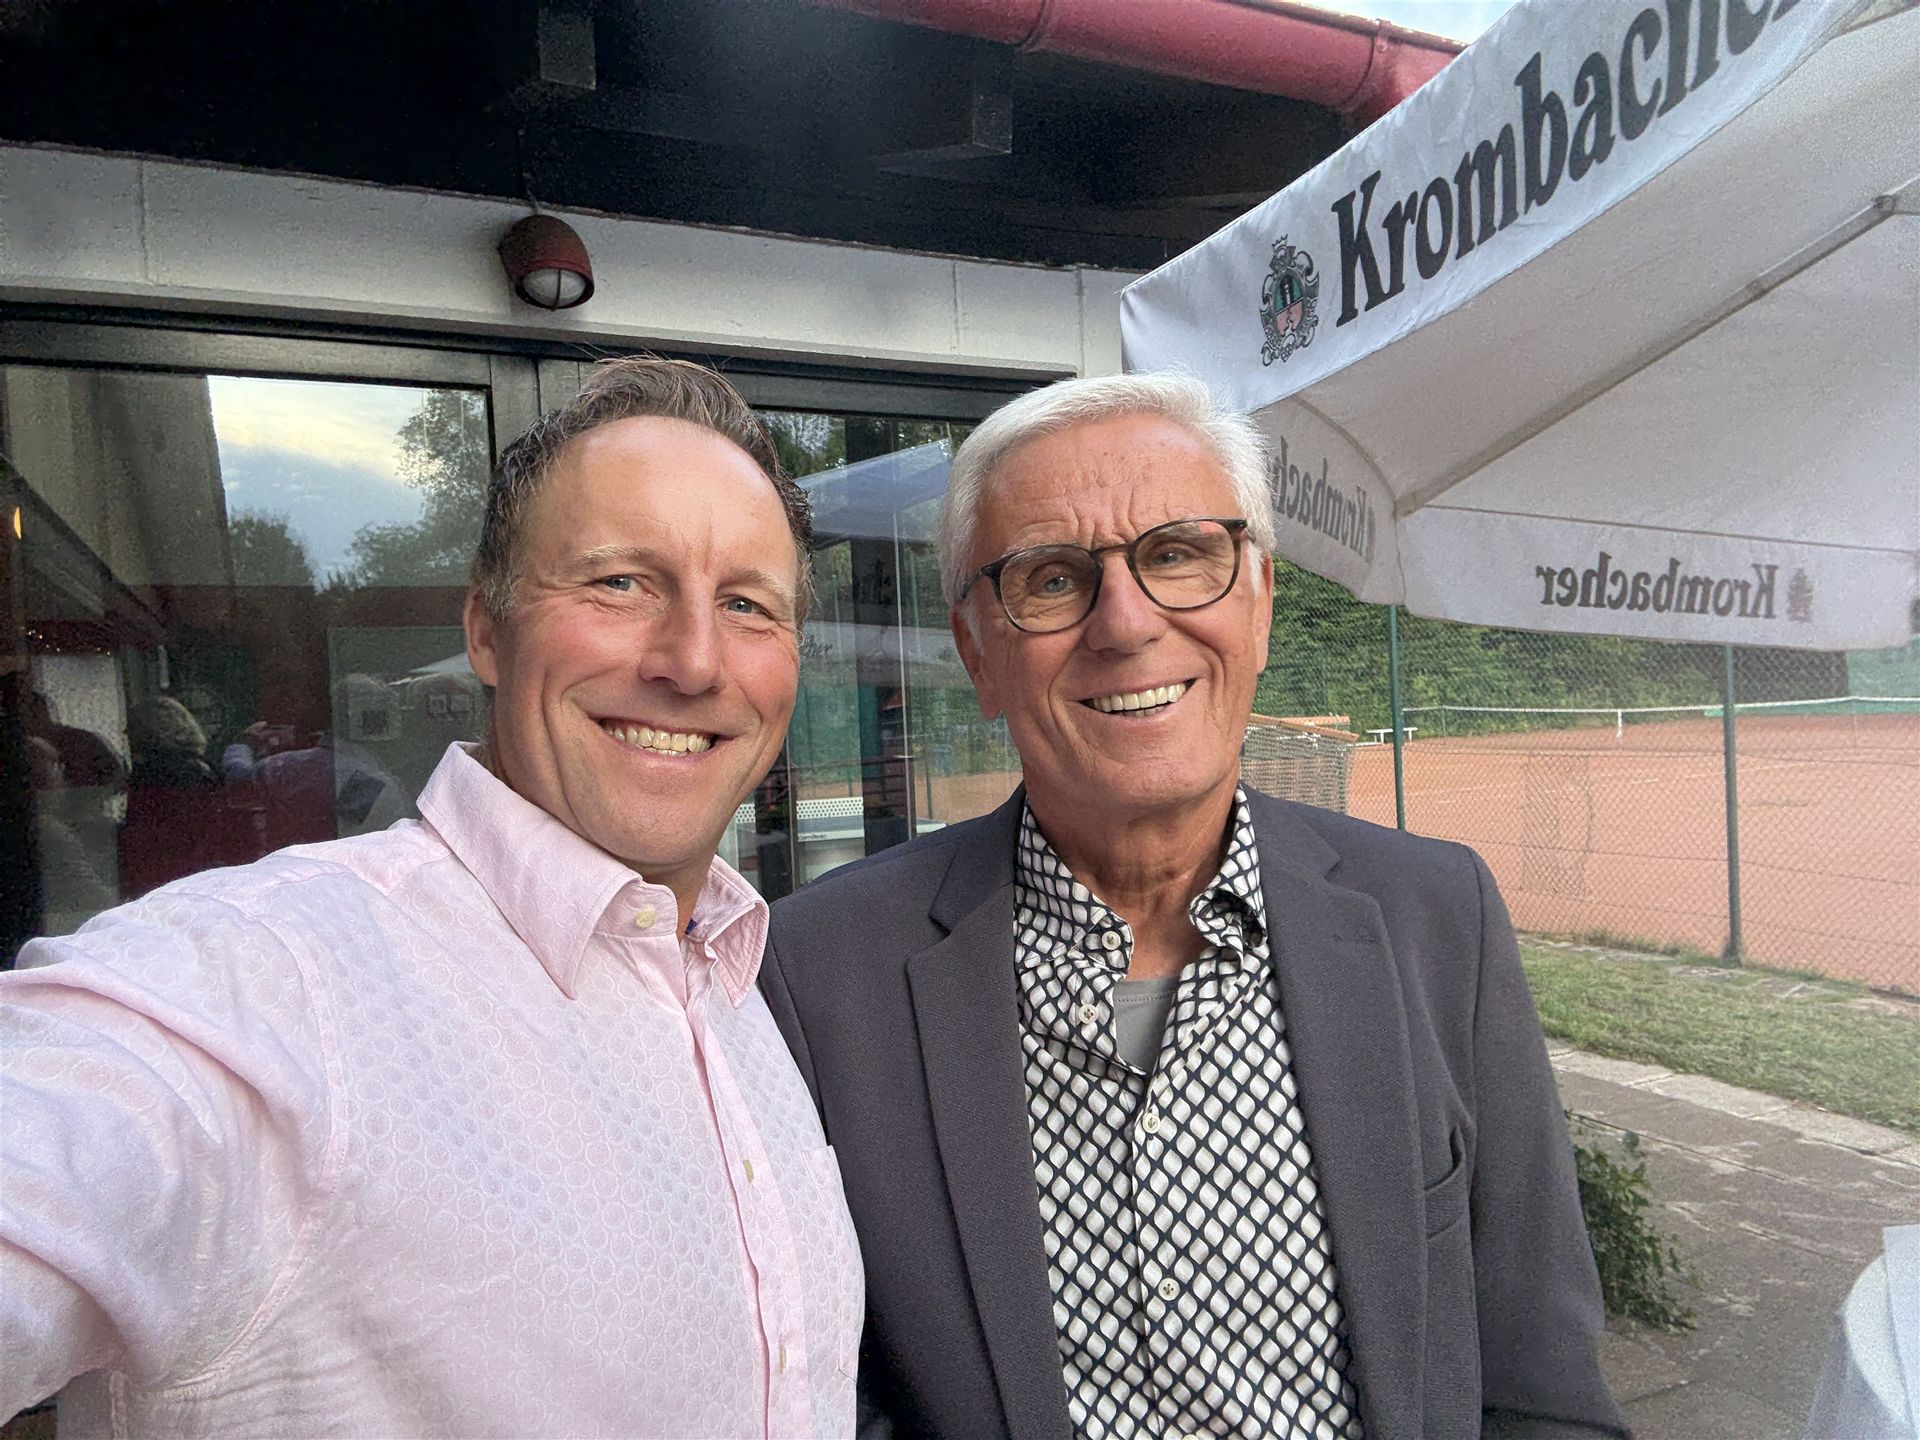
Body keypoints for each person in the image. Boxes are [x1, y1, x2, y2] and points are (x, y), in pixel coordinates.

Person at [0, 358, 862, 1439]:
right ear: (487, 631)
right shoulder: (253, 987)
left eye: (746, 604)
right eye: (619, 583)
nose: (694, 660)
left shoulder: (732, 975)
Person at [760, 373, 1627, 1440]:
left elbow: (1542, 1389)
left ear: (1258, 603)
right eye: (1051, 578)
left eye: (1177, 554)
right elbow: (816, 1397)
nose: (1127, 623)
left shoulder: (1439, 918)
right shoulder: (818, 976)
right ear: (978, 652)